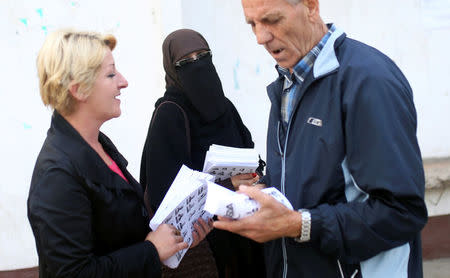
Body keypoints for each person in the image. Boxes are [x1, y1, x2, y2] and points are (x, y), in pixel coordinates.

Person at [214, 0, 428, 277]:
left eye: (272, 20)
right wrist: (255, 197)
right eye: (252, 24)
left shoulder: (369, 81)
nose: (260, 37)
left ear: (311, 7)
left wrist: (297, 224)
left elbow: (402, 212)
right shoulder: (287, 84)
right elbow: (311, 185)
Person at [27, 29, 211, 278]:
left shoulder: (99, 145)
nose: (123, 81)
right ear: (79, 90)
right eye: (111, 74)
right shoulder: (57, 174)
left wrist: (176, 239)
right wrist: (152, 250)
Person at [140, 29, 265, 277]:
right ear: (173, 69)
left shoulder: (225, 106)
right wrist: (228, 185)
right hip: (206, 244)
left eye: (203, 56)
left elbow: (250, 152)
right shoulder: (170, 114)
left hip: (246, 230)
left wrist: (254, 176)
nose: (197, 65)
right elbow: (163, 193)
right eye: (186, 62)